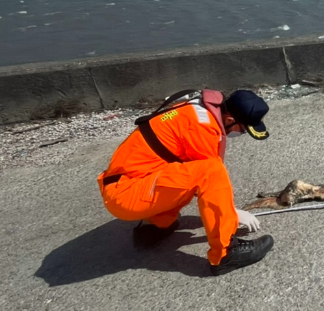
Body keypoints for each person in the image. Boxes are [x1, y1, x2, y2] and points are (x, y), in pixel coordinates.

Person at [97, 88, 275, 275]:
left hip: (129, 183)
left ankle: (156, 225)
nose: (242, 133)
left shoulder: (197, 109)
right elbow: (211, 181)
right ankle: (226, 253)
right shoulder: (203, 127)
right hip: (127, 193)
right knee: (210, 170)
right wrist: (232, 214)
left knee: (187, 173)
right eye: (244, 130)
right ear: (230, 120)